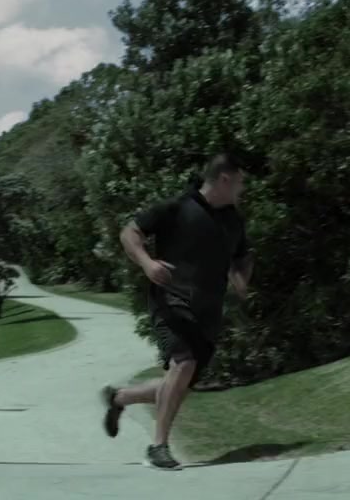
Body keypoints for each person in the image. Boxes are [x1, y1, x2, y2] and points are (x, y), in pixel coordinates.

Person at [99, 153, 253, 470]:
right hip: (171, 300)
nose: (243, 188)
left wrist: (241, 280)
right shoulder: (177, 207)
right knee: (184, 363)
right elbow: (129, 233)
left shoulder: (233, 221)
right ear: (225, 179)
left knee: (179, 384)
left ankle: (120, 398)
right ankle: (158, 447)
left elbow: (242, 256)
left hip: (208, 312)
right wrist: (147, 263)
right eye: (241, 182)